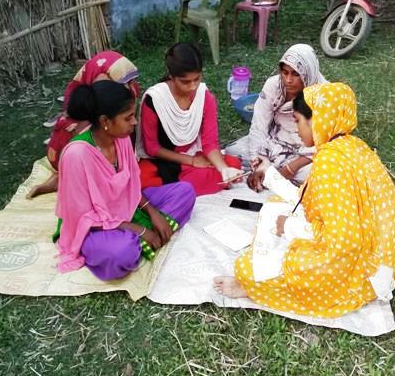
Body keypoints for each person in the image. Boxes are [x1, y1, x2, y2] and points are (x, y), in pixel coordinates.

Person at [214, 82, 395, 318]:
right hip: (378, 252)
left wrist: (289, 227)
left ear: (317, 120)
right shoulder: (351, 146)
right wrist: (269, 172)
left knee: (248, 271)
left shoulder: (330, 163)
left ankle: (252, 288)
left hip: (357, 264)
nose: (297, 130)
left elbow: (342, 240)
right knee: (277, 203)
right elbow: (309, 198)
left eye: (298, 121)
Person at [55, 80, 196, 280]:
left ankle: (142, 240)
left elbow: (132, 186)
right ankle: (136, 242)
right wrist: (140, 230)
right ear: (105, 121)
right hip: (92, 226)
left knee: (185, 192)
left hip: (127, 208)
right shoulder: (76, 155)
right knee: (121, 254)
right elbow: (82, 216)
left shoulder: (121, 139)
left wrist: (153, 212)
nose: (134, 122)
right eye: (128, 117)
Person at [28, 50, 140, 199]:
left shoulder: (126, 93)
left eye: (131, 81)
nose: (130, 87)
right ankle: (61, 179)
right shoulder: (79, 129)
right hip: (76, 154)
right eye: (126, 83)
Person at [137, 42, 242, 196]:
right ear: (171, 75)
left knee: (233, 164)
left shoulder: (205, 97)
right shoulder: (154, 100)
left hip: (193, 155)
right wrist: (191, 161)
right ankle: (177, 189)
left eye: (197, 79)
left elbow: (209, 143)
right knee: (141, 177)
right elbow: (152, 148)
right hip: (165, 161)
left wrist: (224, 169)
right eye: (185, 82)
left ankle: (173, 190)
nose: (193, 86)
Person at [226, 43, 327, 191]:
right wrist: (260, 161)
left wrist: (289, 169)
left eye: (295, 74)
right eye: (285, 72)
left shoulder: (323, 96)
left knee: (317, 176)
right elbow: (259, 125)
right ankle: (270, 169)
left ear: (308, 73)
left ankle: (277, 171)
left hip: (305, 153)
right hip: (273, 141)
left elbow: (323, 141)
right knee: (233, 151)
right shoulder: (273, 85)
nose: (288, 80)